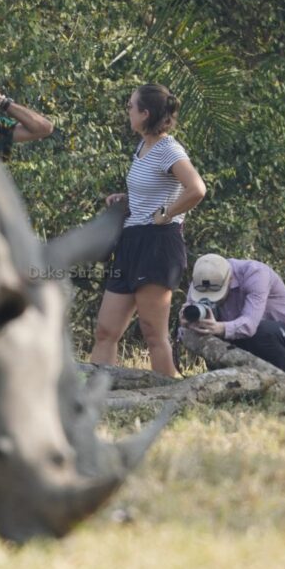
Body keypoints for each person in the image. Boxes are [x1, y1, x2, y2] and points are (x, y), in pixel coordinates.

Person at [90, 84, 206, 378]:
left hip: (158, 244)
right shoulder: (142, 146)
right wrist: (126, 200)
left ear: (145, 113)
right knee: (106, 329)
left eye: (131, 107)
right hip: (131, 241)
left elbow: (197, 189)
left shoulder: (169, 149)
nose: (127, 111)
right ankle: (99, 392)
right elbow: (153, 192)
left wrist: (167, 214)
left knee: (153, 333)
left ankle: (172, 395)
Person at [181, 254, 285, 374]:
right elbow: (190, 312)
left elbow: (249, 325)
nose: (212, 300)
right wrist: (187, 321)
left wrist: (218, 328)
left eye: (216, 295)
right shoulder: (203, 276)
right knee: (209, 333)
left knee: (260, 331)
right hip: (246, 342)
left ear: (230, 279)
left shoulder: (255, 274)